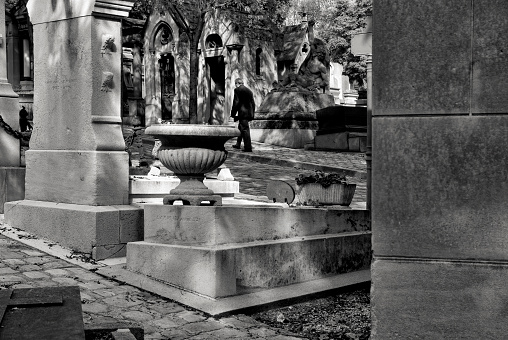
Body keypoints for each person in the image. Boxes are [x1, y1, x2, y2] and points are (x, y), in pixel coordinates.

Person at [230, 78, 255, 152]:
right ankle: (238, 144)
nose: (235, 85)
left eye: (235, 84)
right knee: (241, 127)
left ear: (237, 83)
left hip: (243, 113)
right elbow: (253, 103)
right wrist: (252, 114)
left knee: (245, 129)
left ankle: (248, 147)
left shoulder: (237, 90)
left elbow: (236, 102)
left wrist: (233, 114)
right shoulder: (249, 91)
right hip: (248, 113)